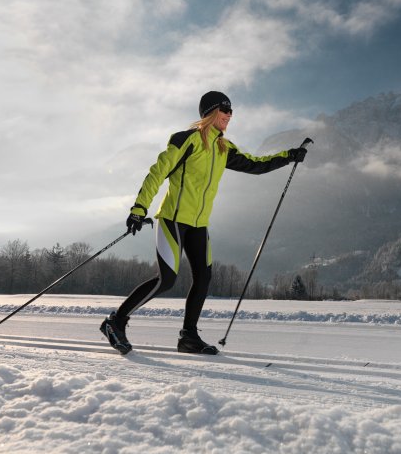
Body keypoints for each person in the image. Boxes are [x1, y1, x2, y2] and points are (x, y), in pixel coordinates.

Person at [100, 91, 307, 355]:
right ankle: (115, 321)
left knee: (204, 278)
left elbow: (256, 165)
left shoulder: (224, 148)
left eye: (231, 112)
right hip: (173, 220)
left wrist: (289, 155)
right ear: (211, 112)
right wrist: (140, 208)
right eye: (225, 110)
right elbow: (158, 172)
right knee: (166, 279)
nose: (230, 116)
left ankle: (188, 337)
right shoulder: (186, 140)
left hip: (199, 225)